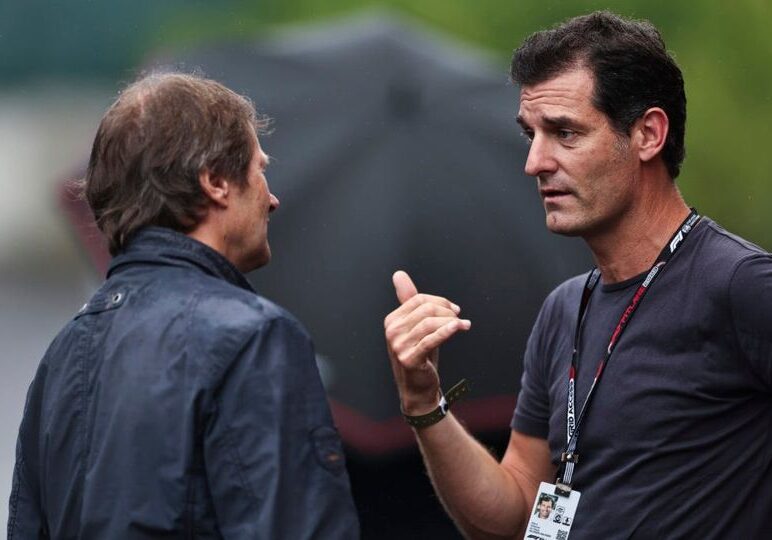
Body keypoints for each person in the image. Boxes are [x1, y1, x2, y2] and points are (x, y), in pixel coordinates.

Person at [384, 11, 772, 539]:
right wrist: (424, 403)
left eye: (565, 133)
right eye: (531, 134)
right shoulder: (565, 308)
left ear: (648, 134)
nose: (535, 162)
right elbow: (513, 515)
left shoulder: (739, 285)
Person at [8, 72, 359, 539]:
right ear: (215, 180)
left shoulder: (64, 351)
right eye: (259, 170)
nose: (271, 199)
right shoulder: (254, 339)